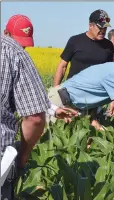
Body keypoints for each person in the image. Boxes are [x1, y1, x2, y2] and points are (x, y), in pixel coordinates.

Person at [1, 15, 77, 200]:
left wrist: (53, 109)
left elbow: (30, 99)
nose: (23, 47)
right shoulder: (16, 54)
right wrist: (22, 158)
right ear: (6, 33)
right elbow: (34, 117)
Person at [52, 9, 114, 128]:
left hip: (94, 98)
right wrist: (55, 91)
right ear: (90, 25)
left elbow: (110, 74)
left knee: (91, 131)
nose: (103, 31)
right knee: (68, 128)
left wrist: (113, 99)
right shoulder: (75, 41)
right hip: (72, 95)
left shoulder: (108, 46)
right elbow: (62, 66)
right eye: (100, 27)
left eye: (105, 28)